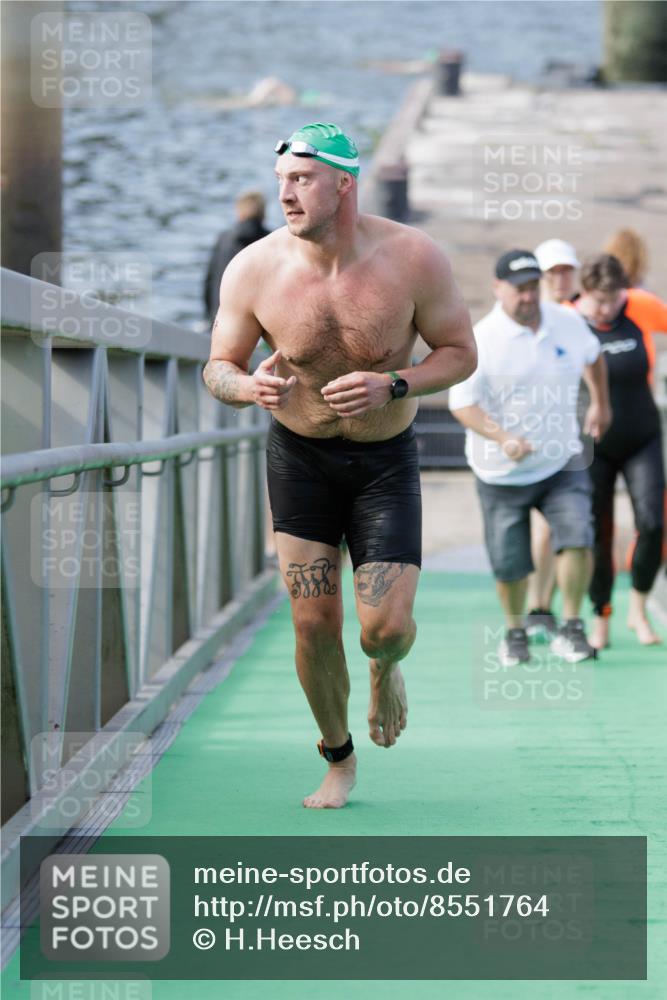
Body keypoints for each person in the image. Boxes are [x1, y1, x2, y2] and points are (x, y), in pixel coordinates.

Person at [202, 123, 476, 809]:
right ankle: (338, 756)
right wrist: (245, 388)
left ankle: (385, 669)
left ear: (343, 183)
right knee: (310, 623)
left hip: (384, 460)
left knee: (383, 629)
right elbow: (218, 367)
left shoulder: (413, 259)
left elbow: (461, 353)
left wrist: (397, 384)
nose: (285, 195)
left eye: (300, 180)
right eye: (280, 182)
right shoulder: (254, 268)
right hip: (299, 457)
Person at [449, 249, 611, 667]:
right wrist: (503, 437)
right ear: (497, 289)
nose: (527, 296)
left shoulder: (567, 322)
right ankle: (515, 632)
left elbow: (593, 358)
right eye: (518, 289)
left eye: (532, 287)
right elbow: (462, 406)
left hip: (562, 462)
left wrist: (600, 404)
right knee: (511, 563)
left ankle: (572, 627)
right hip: (501, 471)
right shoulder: (480, 339)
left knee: (578, 535)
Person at [574, 254, 667, 648]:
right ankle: (601, 617)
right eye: (599, 301)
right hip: (593, 444)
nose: (606, 309)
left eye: (613, 299)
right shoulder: (567, 318)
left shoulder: (639, 307)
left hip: (642, 435)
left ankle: (639, 608)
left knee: (653, 524)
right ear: (586, 294)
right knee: (599, 533)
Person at [525, 239, 583, 638]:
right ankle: (536, 606)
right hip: (532, 437)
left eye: (567, 271)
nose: (561, 279)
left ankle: (558, 609)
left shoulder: (581, 316)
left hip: (576, 438)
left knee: (571, 529)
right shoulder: (524, 318)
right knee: (541, 528)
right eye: (553, 272)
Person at [203, 191, 270, 324]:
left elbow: (209, 281)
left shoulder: (224, 239)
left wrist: (209, 317)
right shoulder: (271, 241)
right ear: (263, 213)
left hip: (221, 317)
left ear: (239, 212)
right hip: (258, 323)